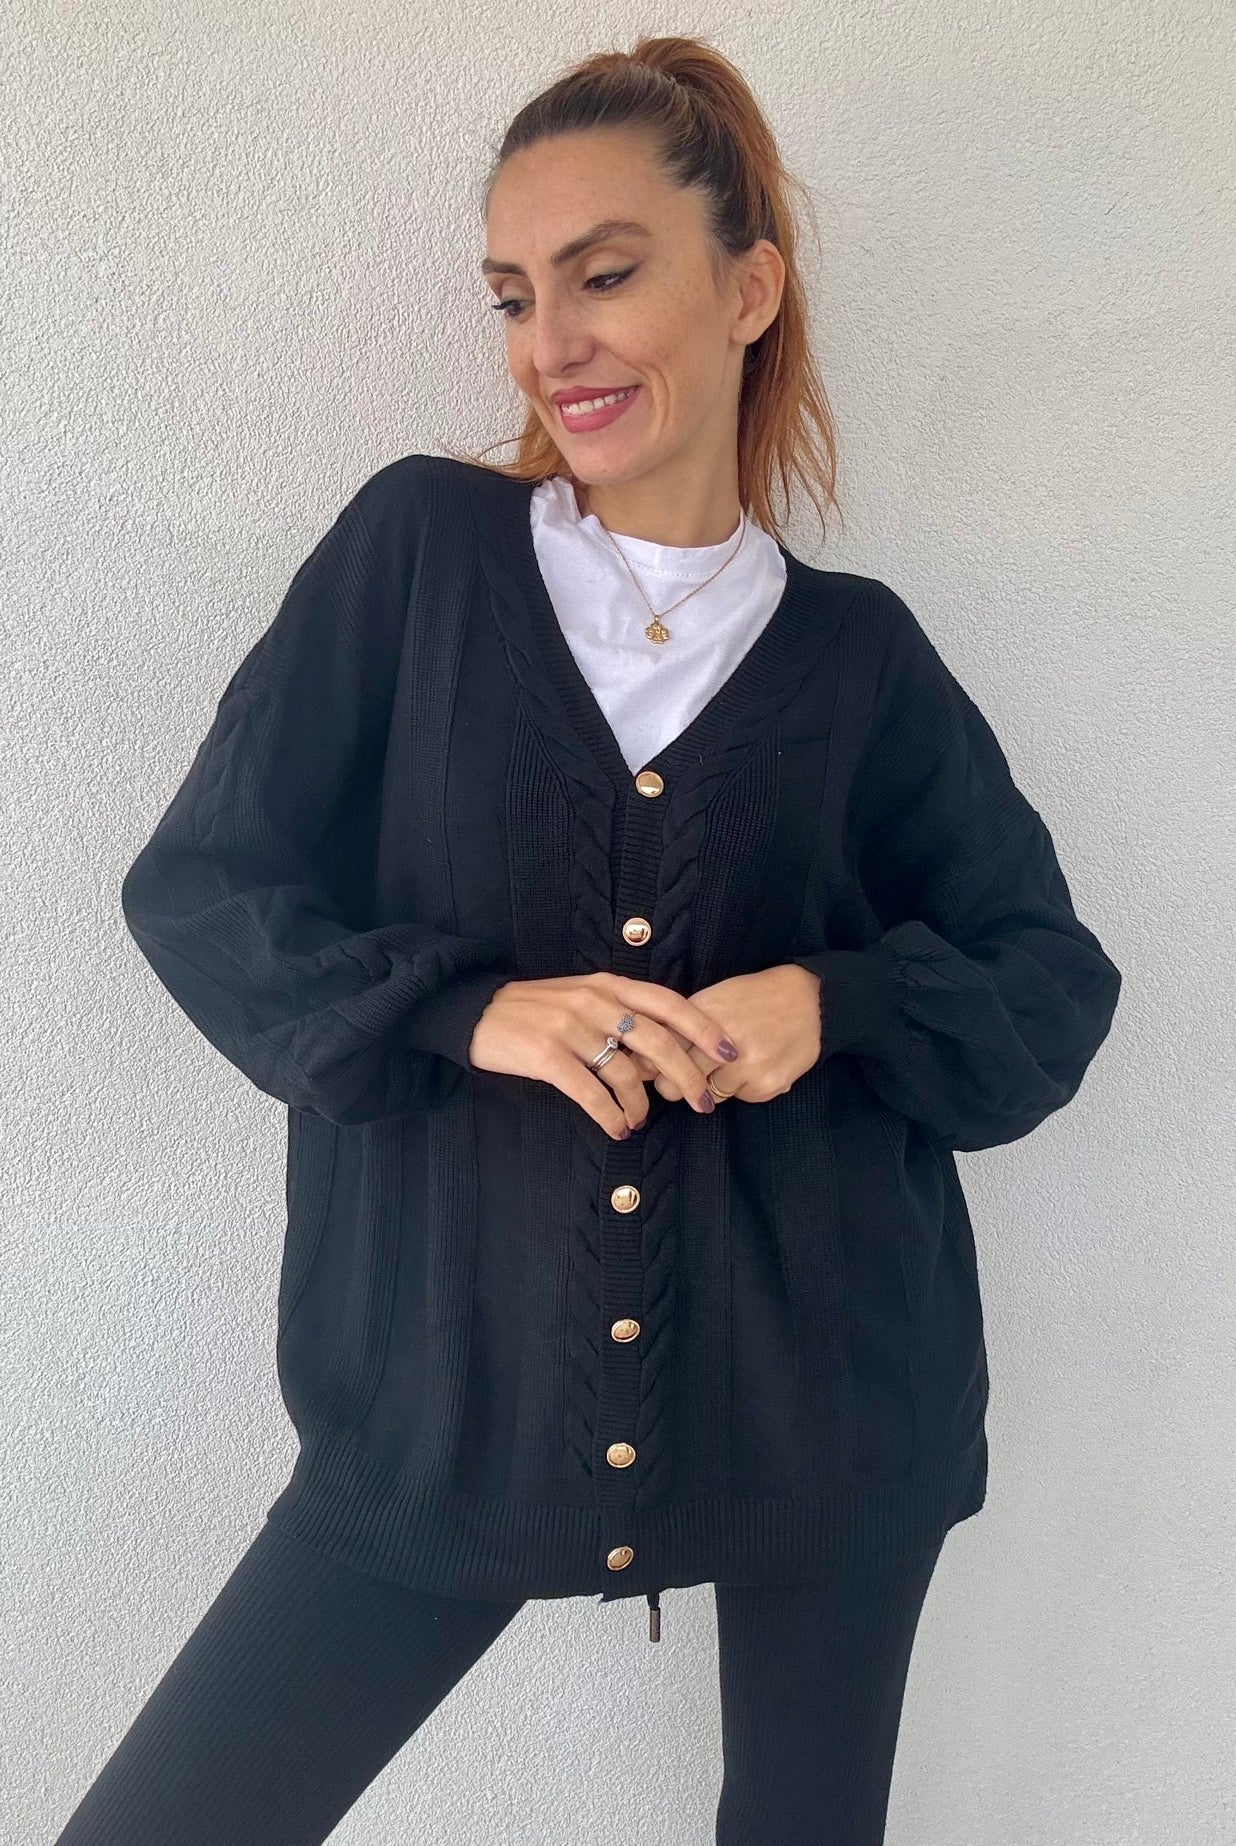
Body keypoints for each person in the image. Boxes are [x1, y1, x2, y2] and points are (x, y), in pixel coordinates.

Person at [53, 32, 1123, 1846]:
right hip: (446, 1402)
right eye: (514, 294)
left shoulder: (859, 657)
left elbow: (1051, 987)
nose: (551, 342)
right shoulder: (419, 556)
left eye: (605, 275)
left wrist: (836, 998)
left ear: (748, 288)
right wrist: (470, 1010)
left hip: (830, 1403)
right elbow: (205, 888)